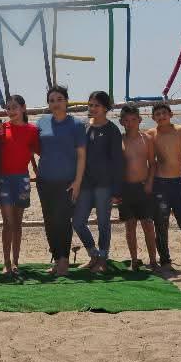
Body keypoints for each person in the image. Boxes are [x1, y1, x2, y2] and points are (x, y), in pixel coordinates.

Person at [35, 85, 86, 276]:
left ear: (66, 101)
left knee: (63, 220)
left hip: (67, 182)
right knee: (49, 221)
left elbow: (82, 155)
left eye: (59, 99)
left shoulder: (77, 124)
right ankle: (56, 259)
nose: (55, 103)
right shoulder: (42, 122)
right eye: (51, 100)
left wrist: (78, 182)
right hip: (44, 181)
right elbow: (37, 148)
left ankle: (64, 259)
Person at [146, 102, 181, 275]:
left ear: (171, 114)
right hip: (160, 185)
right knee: (161, 226)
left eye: (164, 113)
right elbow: (147, 159)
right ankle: (165, 261)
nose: (161, 116)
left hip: (179, 184)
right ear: (152, 118)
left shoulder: (180, 131)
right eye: (157, 114)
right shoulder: (150, 134)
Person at [73, 90, 124, 272]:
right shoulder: (83, 127)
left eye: (97, 105)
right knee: (78, 222)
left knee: (104, 223)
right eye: (91, 105)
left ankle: (103, 259)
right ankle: (93, 254)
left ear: (106, 108)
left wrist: (117, 191)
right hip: (85, 184)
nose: (93, 108)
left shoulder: (112, 130)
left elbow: (118, 161)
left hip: (105, 185)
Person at [0, 94, 39, 276]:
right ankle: (5, 262)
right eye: (8, 108)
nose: (11, 111)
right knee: (7, 223)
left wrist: (37, 171)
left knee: (18, 224)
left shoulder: (32, 130)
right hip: (3, 179)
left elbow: (36, 150)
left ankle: (15, 262)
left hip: (22, 179)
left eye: (14, 107)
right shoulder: (2, 128)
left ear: (23, 108)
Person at [118, 104, 159, 270]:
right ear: (121, 122)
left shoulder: (147, 139)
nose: (130, 123)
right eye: (126, 120)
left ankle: (153, 260)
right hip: (126, 188)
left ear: (140, 120)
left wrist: (149, 182)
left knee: (148, 225)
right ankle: (134, 260)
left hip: (143, 187)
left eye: (133, 119)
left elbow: (152, 163)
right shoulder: (119, 140)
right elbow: (116, 166)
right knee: (130, 226)